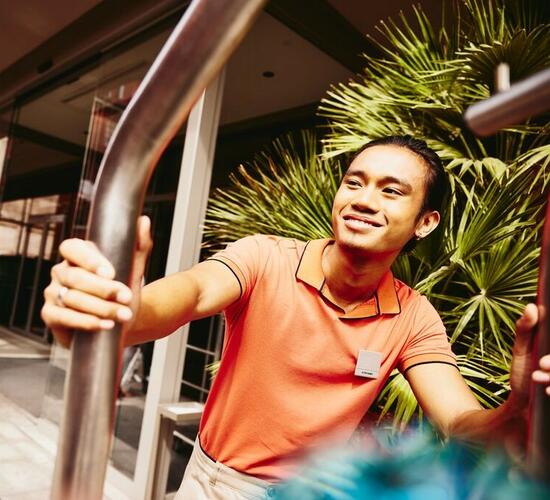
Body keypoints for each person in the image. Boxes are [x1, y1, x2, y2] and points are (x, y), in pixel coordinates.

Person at [41, 136, 550, 499]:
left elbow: (460, 422)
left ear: (425, 223)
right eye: (355, 181)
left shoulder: (414, 316)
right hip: (211, 483)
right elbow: (191, 296)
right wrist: (123, 308)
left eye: (391, 191)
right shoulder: (266, 257)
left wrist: (519, 404)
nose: (364, 200)